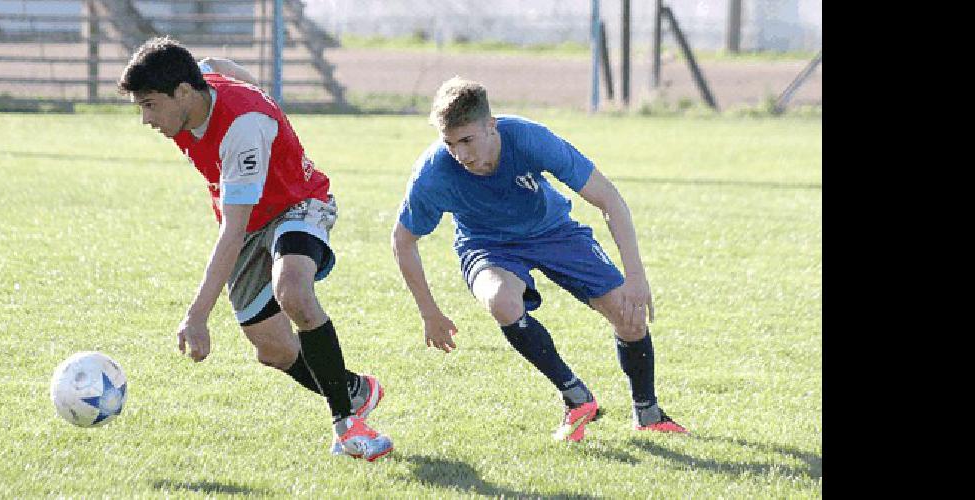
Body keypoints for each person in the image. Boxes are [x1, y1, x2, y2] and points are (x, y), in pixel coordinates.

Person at [118, 36, 392, 461]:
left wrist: (196, 317)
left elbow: (233, 229)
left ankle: (347, 426)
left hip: (299, 203)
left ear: (184, 93)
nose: (146, 119)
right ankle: (354, 389)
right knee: (274, 349)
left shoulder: (242, 128)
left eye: (150, 105)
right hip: (249, 220)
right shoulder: (197, 84)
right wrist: (263, 96)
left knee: (294, 292)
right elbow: (216, 64)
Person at [391, 76, 688, 442]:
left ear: (491, 125)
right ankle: (576, 397)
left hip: (554, 231)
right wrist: (429, 312)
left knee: (629, 317)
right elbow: (403, 240)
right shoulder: (434, 172)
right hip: (488, 245)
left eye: (467, 140)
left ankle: (648, 413)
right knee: (502, 301)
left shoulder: (530, 138)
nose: (461, 155)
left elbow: (608, 198)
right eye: (450, 144)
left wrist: (636, 278)